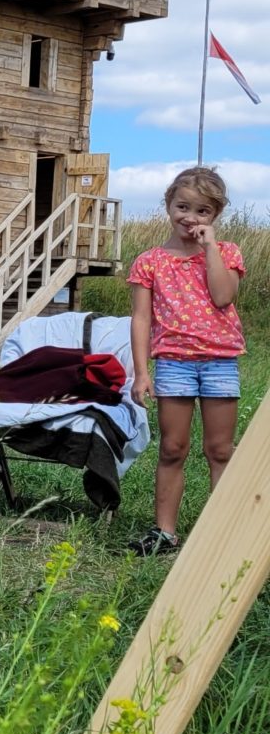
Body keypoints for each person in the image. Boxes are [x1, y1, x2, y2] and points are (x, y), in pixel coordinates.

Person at [127, 165, 245, 556]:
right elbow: (142, 318)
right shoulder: (150, 261)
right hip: (173, 363)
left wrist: (210, 247)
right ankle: (165, 532)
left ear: (215, 216)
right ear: (167, 205)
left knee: (220, 450)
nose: (189, 218)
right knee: (173, 448)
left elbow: (223, 296)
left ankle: (222, 533)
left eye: (202, 211)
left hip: (219, 363)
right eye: (182, 206)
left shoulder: (226, 253)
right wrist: (142, 373)